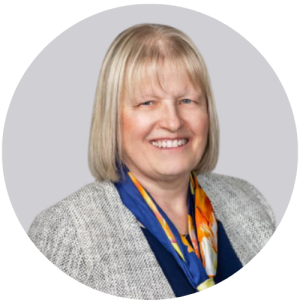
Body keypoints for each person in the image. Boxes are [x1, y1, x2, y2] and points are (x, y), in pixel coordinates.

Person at [27, 23, 276, 298]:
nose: (173, 122)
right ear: (113, 118)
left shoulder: (249, 202)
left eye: (187, 100)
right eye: (147, 103)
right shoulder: (68, 233)